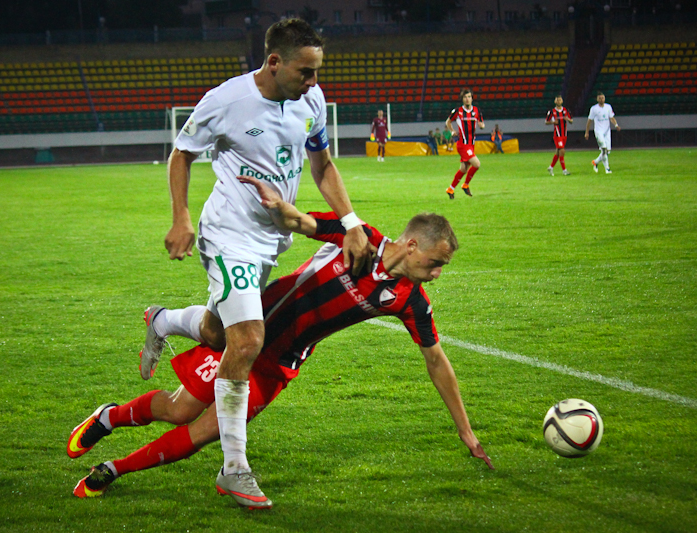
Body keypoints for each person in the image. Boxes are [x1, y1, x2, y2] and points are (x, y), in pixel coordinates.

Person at [67, 176, 494, 504]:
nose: (436, 274)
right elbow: (302, 222)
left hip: (278, 365)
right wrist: (276, 203)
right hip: (248, 332)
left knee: (202, 434)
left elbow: (436, 361)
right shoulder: (358, 237)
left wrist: (466, 432)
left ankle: (113, 469)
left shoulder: (410, 301)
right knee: (179, 410)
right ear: (413, 245)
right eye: (435, 263)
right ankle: (109, 417)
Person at [160, 18, 371, 509]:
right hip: (228, 234)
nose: (314, 82)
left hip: (271, 240)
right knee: (249, 340)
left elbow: (322, 165)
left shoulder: (310, 102)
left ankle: (164, 319)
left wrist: (351, 221)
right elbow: (181, 154)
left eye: (317, 72)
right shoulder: (227, 100)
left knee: (218, 335)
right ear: (274, 62)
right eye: (306, 72)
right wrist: (181, 217)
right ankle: (234, 468)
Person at [444, 88, 485, 199]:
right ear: (462, 99)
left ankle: (450, 189)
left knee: (463, 169)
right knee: (476, 164)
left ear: (472, 98)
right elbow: (448, 121)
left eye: (469, 97)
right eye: (465, 97)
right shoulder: (458, 111)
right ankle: (465, 185)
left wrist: (482, 126)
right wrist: (452, 131)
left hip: (471, 144)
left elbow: (481, 123)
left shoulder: (477, 110)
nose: (467, 99)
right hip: (463, 144)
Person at [585, 91, 620, 174]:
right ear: (597, 99)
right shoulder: (594, 109)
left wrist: (616, 125)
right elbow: (589, 120)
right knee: (604, 149)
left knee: (607, 151)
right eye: (600, 98)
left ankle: (595, 162)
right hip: (598, 131)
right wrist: (587, 132)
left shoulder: (608, 107)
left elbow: (611, 117)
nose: (601, 99)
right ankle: (607, 169)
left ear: (604, 98)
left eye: (602, 98)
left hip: (607, 131)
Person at [545, 95, 573, 176]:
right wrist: (553, 122)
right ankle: (564, 170)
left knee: (558, 152)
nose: (558, 101)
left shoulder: (566, 110)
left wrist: (568, 119)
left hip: (564, 134)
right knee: (562, 151)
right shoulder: (552, 111)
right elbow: (546, 122)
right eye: (557, 100)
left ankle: (551, 167)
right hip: (557, 135)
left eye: (560, 100)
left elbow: (571, 121)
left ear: (562, 101)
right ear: (555, 101)